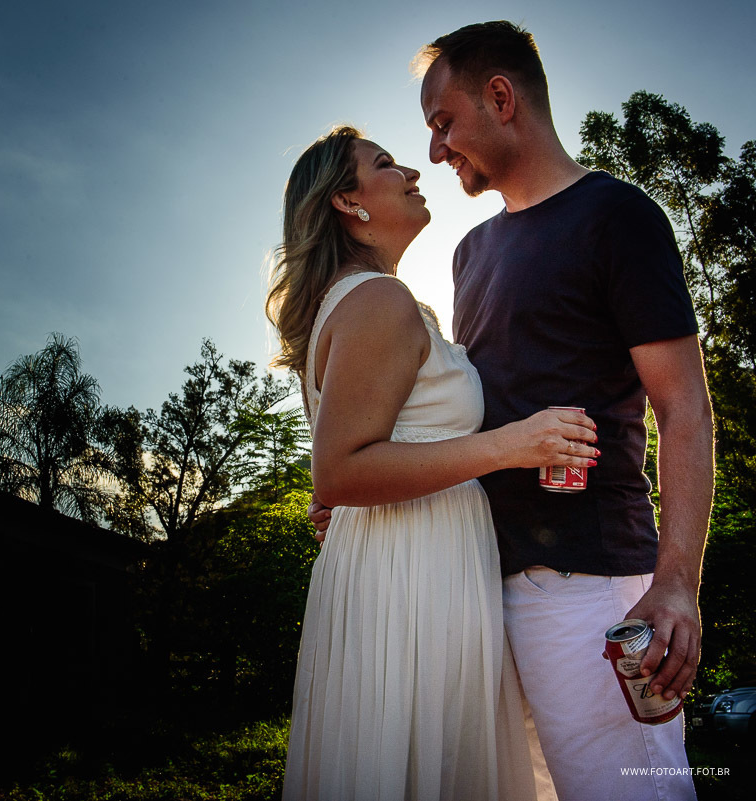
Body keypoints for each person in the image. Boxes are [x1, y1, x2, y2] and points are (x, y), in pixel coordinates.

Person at [314, 21, 714, 800]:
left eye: (443, 123)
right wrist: (358, 494)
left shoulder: (618, 215)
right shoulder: (470, 254)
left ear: (501, 97)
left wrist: (676, 585)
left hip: (590, 588)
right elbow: (463, 418)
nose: (434, 152)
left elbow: (687, 410)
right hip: (471, 590)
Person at [267, 125, 598, 801]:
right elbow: (339, 473)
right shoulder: (376, 300)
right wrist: (513, 445)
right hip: (412, 576)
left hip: (406, 559)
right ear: (347, 202)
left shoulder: (368, 300)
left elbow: (351, 463)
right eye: (384, 164)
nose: (412, 170)